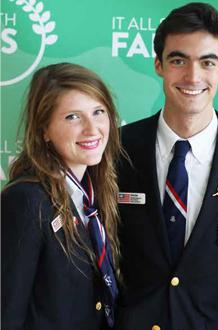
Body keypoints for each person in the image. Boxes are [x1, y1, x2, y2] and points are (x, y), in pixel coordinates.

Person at [115, 3, 218, 330]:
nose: (193, 76)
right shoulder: (116, 149)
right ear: (158, 65)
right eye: (178, 60)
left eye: (208, 62)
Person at [1, 63, 122, 329]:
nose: (92, 129)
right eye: (72, 117)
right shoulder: (26, 200)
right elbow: (7, 312)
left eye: (98, 112)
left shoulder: (95, 193)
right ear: (44, 130)